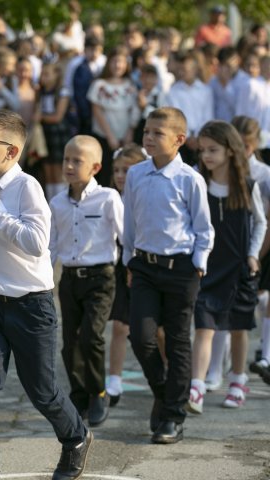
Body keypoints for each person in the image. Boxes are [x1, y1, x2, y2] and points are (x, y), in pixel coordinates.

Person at [0, 110, 91, 480]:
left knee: (43, 391)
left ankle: (76, 437)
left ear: (12, 152)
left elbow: (36, 244)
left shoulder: (27, 187)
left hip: (31, 305)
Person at [123, 107, 214, 444]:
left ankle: (173, 417)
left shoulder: (190, 178)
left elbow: (203, 228)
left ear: (179, 140)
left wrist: (200, 261)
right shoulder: (136, 174)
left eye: (157, 133)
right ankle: (164, 392)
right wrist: (129, 260)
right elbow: (130, 221)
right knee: (142, 336)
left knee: (177, 341)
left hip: (181, 269)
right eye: (146, 131)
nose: (148, 138)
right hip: (145, 266)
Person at [188, 120, 266, 414]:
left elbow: (260, 222)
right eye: (203, 150)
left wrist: (252, 254)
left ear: (231, 151)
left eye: (213, 150)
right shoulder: (197, 182)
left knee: (237, 328)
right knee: (204, 327)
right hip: (207, 267)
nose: (206, 155)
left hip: (238, 268)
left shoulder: (247, 185)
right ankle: (196, 386)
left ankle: (237, 381)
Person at [49, 135, 123, 427]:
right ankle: (79, 393)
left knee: (91, 336)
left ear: (95, 167)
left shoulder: (108, 198)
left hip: (101, 278)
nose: (68, 165)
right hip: (69, 279)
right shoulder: (56, 202)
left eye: (77, 161)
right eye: (67, 159)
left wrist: (132, 270)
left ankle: (99, 392)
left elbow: (125, 235)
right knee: (69, 343)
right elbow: (52, 245)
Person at [105, 144, 146, 406]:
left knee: (156, 332)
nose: (121, 176)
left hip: (143, 267)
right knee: (120, 326)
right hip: (118, 269)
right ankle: (114, 380)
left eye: (127, 170)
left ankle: (168, 371)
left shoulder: (145, 199)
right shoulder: (111, 198)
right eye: (117, 170)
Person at [232, 116, 270, 386]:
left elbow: (264, 218)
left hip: (260, 243)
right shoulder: (221, 171)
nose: (241, 150)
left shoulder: (264, 175)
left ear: (255, 145)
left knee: (263, 300)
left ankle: (265, 355)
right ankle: (219, 368)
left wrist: (258, 251)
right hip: (231, 245)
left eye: (246, 145)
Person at [87, 46, 138, 187]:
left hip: (125, 138)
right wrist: (110, 136)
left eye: (121, 62)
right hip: (105, 137)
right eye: (114, 61)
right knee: (105, 174)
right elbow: (97, 112)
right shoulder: (99, 85)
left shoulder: (130, 85)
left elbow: (133, 111)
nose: (118, 65)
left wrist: (129, 133)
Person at [162, 53, 214, 166]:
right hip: (181, 139)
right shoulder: (173, 91)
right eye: (180, 69)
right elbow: (175, 115)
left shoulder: (205, 91)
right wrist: (188, 135)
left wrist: (197, 136)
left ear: (195, 70)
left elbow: (208, 116)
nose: (182, 72)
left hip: (201, 138)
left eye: (185, 69)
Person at [37, 62, 72, 200]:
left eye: (47, 74)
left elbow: (57, 117)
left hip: (58, 132)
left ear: (56, 74)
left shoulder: (62, 91)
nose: (43, 77)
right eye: (42, 74)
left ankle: (60, 201)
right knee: (47, 170)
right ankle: (51, 203)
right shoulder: (40, 92)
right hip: (44, 133)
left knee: (58, 170)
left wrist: (41, 117)